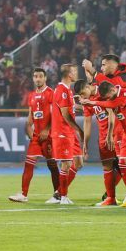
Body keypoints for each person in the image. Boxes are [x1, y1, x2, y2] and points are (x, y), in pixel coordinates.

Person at [85, 79, 126, 208]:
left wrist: (93, 102)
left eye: (108, 97)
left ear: (113, 90)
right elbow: (110, 104)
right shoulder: (113, 98)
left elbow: (113, 103)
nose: (108, 100)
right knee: (122, 163)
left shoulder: (125, 94)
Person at [82, 55, 126, 206]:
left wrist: (92, 70)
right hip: (104, 136)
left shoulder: (117, 81)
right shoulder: (96, 93)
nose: (101, 68)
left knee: (123, 163)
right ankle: (111, 198)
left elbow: (112, 110)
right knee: (107, 166)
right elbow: (87, 120)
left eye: (104, 65)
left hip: (118, 132)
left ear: (113, 65)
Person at [9, 68, 60, 203]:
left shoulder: (51, 93)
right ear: (33, 78)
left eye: (40, 76)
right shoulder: (31, 95)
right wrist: (28, 127)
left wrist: (47, 129)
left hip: (49, 136)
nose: (38, 79)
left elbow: (55, 115)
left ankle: (58, 193)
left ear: (45, 78)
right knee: (29, 163)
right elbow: (31, 116)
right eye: (35, 76)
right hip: (36, 136)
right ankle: (23, 194)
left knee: (52, 165)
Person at [47, 64, 85, 205]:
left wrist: (87, 105)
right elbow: (65, 114)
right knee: (66, 164)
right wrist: (78, 129)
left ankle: (58, 193)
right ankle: (63, 197)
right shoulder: (62, 90)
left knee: (78, 163)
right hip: (63, 132)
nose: (76, 73)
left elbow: (71, 108)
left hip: (69, 132)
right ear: (69, 74)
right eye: (75, 71)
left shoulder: (67, 90)